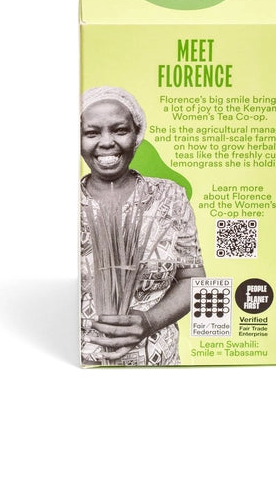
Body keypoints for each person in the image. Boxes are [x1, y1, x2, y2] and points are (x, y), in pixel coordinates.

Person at [80, 86, 205, 365]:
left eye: (120, 130)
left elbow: (193, 280)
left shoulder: (169, 197)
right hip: (79, 366)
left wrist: (150, 321)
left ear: (137, 135)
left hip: (158, 365)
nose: (107, 142)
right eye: (92, 133)